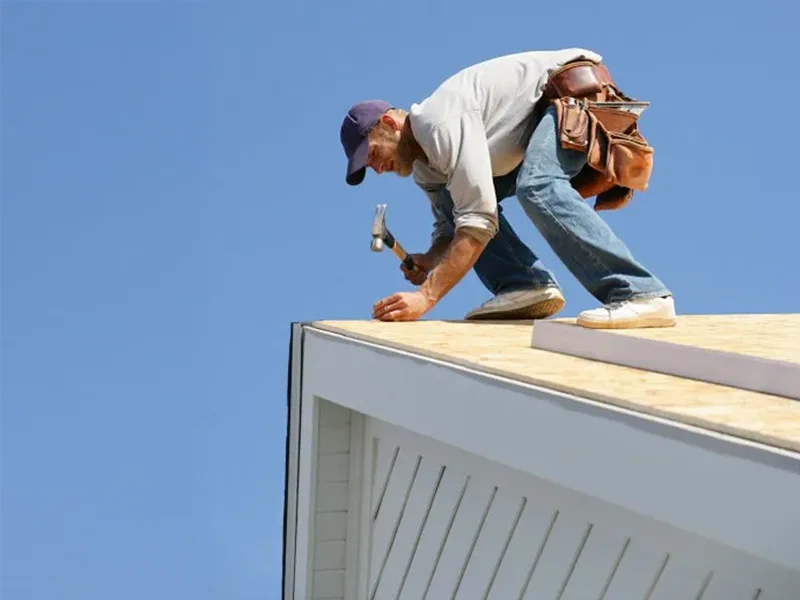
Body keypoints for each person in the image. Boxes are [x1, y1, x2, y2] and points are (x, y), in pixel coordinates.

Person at [339, 48, 676, 329]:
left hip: (570, 94)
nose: (378, 169)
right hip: (532, 129)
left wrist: (427, 296)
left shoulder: (437, 123)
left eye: (373, 155)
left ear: (388, 124)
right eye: (370, 168)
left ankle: (639, 292)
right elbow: (452, 226)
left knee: (538, 185)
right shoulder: (426, 169)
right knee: (454, 200)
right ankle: (525, 285)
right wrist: (430, 258)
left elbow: (478, 220)